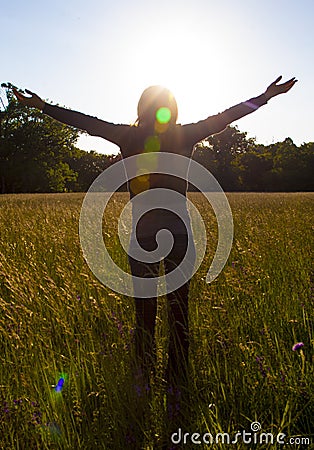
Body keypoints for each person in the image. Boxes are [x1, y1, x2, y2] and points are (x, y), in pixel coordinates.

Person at [13, 75, 297, 415]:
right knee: (179, 314)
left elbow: (85, 122)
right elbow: (228, 116)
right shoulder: (183, 134)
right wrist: (265, 97)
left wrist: (43, 107)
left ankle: (143, 380)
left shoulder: (129, 136)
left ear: (141, 109)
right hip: (178, 237)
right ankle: (176, 382)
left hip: (144, 238)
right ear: (171, 109)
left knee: (145, 317)